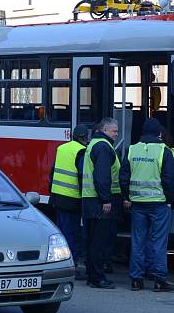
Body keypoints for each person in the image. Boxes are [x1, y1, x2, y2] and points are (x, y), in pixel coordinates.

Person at [120, 118, 174, 292]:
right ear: (159, 133)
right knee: (159, 242)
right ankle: (160, 279)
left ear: (143, 132)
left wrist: (127, 196)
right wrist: (169, 200)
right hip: (159, 204)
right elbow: (169, 180)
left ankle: (136, 280)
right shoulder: (164, 151)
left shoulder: (132, 150)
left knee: (138, 241)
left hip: (137, 204)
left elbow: (124, 177)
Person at [82, 117, 123, 289]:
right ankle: (98, 277)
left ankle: (92, 275)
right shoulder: (104, 148)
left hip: (89, 199)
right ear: (104, 130)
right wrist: (106, 199)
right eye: (114, 131)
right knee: (99, 242)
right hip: (100, 201)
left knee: (92, 240)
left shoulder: (93, 144)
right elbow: (102, 176)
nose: (117, 134)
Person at [49, 124, 89, 280]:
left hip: (58, 196)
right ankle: (71, 266)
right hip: (72, 198)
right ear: (84, 138)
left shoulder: (62, 148)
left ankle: (61, 263)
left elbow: (52, 172)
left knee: (62, 233)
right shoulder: (80, 151)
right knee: (71, 234)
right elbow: (81, 176)